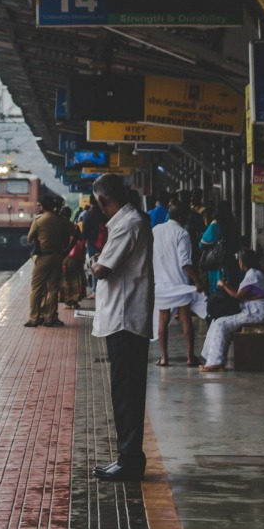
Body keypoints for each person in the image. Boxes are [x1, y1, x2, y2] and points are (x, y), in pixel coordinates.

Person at [89, 173, 153, 481]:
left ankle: (130, 461)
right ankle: (129, 457)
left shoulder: (128, 224)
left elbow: (102, 269)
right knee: (126, 391)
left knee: (126, 393)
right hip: (124, 318)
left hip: (125, 320)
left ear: (102, 201)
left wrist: (93, 262)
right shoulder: (131, 221)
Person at [152, 198, 207, 367]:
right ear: (182, 217)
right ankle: (190, 357)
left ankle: (164, 358)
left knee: (163, 318)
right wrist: (197, 280)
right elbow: (185, 262)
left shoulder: (156, 230)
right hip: (179, 285)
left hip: (161, 284)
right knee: (185, 319)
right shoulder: (182, 233)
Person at [200, 249, 264, 371]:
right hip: (255, 311)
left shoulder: (252, 274)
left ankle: (216, 362)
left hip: (255, 313)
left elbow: (238, 295)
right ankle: (211, 359)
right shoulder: (258, 273)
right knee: (217, 321)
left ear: (243, 262)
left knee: (221, 324)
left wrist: (223, 285)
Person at [25, 194, 73, 328]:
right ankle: (49, 318)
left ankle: (34, 318)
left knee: (36, 288)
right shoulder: (62, 220)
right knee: (53, 289)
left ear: (44, 206)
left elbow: (29, 238)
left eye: (39, 205)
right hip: (58, 257)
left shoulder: (38, 220)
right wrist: (67, 250)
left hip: (44, 258)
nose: (37, 207)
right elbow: (76, 234)